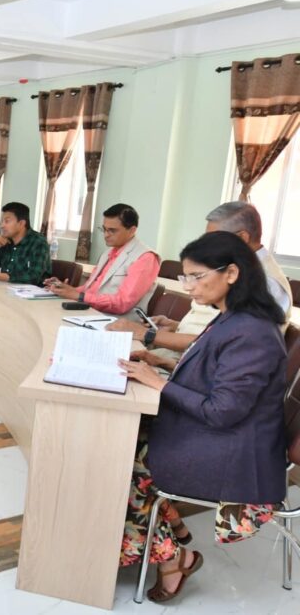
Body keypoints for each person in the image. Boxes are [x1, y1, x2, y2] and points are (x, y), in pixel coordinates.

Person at [118, 231, 287, 603]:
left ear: (231, 273)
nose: (188, 286)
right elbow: (214, 375)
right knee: (122, 440)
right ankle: (172, 532)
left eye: (197, 276)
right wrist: (160, 363)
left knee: (123, 460)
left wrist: (158, 383)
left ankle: (173, 557)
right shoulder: (233, 317)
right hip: (222, 436)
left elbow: (222, 411)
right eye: (186, 276)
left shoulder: (252, 331)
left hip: (236, 454)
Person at [110, 200, 293, 350]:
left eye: (215, 239)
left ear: (242, 238)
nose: (208, 246)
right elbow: (217, 330)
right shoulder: (235, 267)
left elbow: (228, 345)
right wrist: (176, 325)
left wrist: (148, 334)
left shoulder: (267, 283)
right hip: (184, 357)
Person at [45, 204, 159, 314]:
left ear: (132, 230)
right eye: (104, 229)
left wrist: (79, 296)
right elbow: (90, 289)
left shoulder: (145, 257)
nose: (106, 235)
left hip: (118, 321)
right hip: (92, 313)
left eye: (112, 230)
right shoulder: (108, 253)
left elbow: (123, 303)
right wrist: (67, 289)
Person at [0, 202, 51, 284]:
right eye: (2, 221)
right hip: (6, 288)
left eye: (7, 221)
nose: (2, 225)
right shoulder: (6, 241)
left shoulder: (38, 242)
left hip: (33, 290)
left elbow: (34, 277)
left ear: (21, 223)